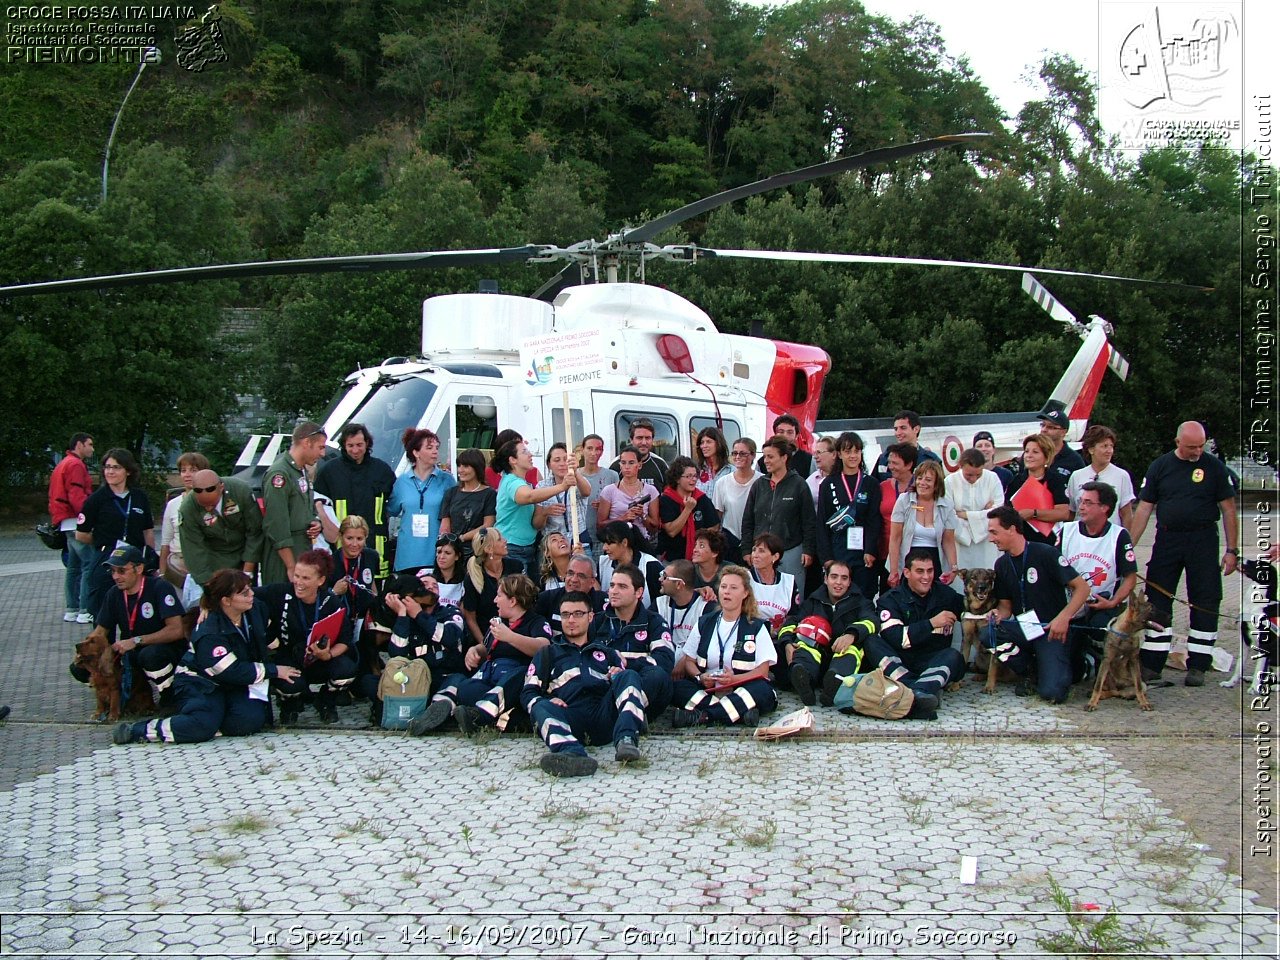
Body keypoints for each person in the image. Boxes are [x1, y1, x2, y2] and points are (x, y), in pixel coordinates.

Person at [112, 570, 301, 745]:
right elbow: (229, 670)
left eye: (250, 590)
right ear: (226, 601)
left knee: (249, 721)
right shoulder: (209, 631)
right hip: (202, 682)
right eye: (245, 593)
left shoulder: (253, 607)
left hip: (235, 683)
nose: (251, 594)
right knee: (201, 726)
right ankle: (138, 730)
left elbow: (274, 593)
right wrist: (274, 670)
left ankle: (208, 719)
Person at [1130, 420, 1239, 686]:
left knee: (1205, 598)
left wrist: (1232, 550)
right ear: (1178, 442)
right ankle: (1153, 662)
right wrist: (1128, 547)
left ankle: (1199, 664)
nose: (1197, 452)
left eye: (1201, 446)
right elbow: (1144, 509)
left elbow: (1228, 510)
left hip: (1203, 539)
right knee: (1158, 597)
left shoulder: (1214, 468)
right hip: (1168, 538)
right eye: (1192, 447)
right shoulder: (1161, 466)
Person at [521, 591, 649, 777]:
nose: (571, 619)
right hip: (569, 718)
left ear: (590, 617)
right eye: (566, 615)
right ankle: (571, 753)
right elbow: (528, 693)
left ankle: (626, 740)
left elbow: (624, 685)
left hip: (604, 716)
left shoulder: (608, 653)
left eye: (578, 614)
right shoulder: (547, 653)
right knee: (540, 706)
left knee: (629, 675)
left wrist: (616, 675)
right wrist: (549, 699)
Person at [410, 573, 552, 735]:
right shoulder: (498, 621)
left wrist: (511, 637)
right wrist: (476, 650)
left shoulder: (536, 621)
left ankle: (481, 716)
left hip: (514, 682)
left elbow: (543, 646)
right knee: (461, 684)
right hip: (488, 677)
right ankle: (440, 714)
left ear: (512, 601)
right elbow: (488, 648)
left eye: (499, 596)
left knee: (520, 675)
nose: (495, 601)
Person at [986, 505, 1091, 703]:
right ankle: (1030, 670)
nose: (991, 538)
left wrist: (1064, 617)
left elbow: (1083, 589)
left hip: (1052, 629)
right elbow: (1006, 607)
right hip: (1026, 627)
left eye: (994, 532)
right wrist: (998, 615)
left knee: (1053, 693)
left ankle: (1076, 664)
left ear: (1012, 529)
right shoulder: (1002, 564)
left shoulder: (1045, 553)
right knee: (989, 634)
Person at [862, 549, 967, 719]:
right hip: (902, 663)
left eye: (930, 571)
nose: (926, 577)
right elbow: (897, 638)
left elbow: (972, 611)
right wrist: (932, 623)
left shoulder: (946, 595)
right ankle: (920, 692)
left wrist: (993, 612)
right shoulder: (890, 599)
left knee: (954, 656)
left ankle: (913, 694)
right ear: (907, 573)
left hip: (932, 660)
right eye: (920, 571)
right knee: (871, 642)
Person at [670, 566, 778, 727]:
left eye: (733, 588)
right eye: (723, 587)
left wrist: (734, 680)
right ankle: (740, 713)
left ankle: (703, 717)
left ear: (745, 593)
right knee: (677, 688)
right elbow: (689, 661)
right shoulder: (705, 622)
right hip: (709, 689)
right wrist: (700, 677)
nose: (726, 592)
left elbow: (763, 671)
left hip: (742, 687)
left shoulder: (756, 626)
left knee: (763, 690)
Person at [259, 549, 356, 723]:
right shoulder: (280, 593)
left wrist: (328, 655)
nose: (299, 583)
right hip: (290, 657)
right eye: (297, 576)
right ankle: (290, 704)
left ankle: (326, 701)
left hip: (321, 658)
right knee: (291, 685)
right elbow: (245, 593)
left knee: (346, 670)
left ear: (321, 580)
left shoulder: (331, 601)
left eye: (305, 578)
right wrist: (207, 604)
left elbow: (345, 640)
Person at [1058, 481, 1138, 681]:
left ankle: (1104, 660)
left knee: (1104, 629)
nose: (1081, 507)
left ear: (1105, 508)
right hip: (1068, 608)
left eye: (1088, 502)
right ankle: (1082, 660)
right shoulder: (1066, 531)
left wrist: (1113, 602)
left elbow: (1130, 577)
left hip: (1101, 606)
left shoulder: (1119, 536)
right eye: (1080, 502)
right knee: (1071, 673)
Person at [90, 545, 188, 704]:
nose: (115, 576)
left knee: (151, 656)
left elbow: (177, 630)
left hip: (163, 649)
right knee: (81, 665)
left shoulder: (159, 587)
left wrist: (136, 641)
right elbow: (100, 631)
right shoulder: (114, 593)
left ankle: (170, 695)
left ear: (139, 568)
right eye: (112, 571)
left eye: (121, 571)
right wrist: (86, 650)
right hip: (130, 651)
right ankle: (117, 696)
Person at [777, 559, 877, 705]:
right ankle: (803, 679)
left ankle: (834, 686)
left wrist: (852, 634)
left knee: (851, 650)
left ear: (850, 582)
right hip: (818, 658)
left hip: (842, 658)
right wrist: (786, 643)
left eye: (844, 578)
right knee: (803, 644)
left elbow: (872, 621)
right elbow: (792, 622)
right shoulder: (813, 601)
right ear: (826, 579)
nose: (839, 582)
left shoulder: (861, 601)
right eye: (834, 577)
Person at [75, 447, 155, 622]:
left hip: (133, 560)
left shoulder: (139, 497)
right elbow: (81, 535)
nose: (110, 471)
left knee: (138, 615)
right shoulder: (96, 499)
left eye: (116, 467)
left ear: (128, 471)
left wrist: (149, 556)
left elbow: (147, 530)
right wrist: (103, 542)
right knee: (103, 615)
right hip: (106, 559)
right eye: (107, 467)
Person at [588, 564, 675, 716]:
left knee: (658, 675)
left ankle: (627, 714)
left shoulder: (654, 621)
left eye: (622, 586)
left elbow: (665, 660)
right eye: (612, 585)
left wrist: (627, 664)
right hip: (606, 686)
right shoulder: (597, 621)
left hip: (641, 687)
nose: (614, 591)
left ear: (638, 592)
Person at [313, 422, 397, 575]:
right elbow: (317, 505)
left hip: (374, 543)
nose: (355, 450)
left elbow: (395, 502)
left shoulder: (382, 470)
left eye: (359, 444)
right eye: (350, 445)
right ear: (343, 445)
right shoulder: (329, 471)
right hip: (340, 545)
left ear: (367, 443)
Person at [492, 438, 578, 575]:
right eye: (524, 452)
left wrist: (544, 511)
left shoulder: (522, 482)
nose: (530, 455)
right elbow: (528, 497)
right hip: (512, 547)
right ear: (513, 460)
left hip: (526, 547)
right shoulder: (511, 482)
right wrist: (562, 486)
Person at [740, 436, 818, 584]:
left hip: (790, 551)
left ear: (784, 458)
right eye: (764, 456)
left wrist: (808, 550)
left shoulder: (799, 484)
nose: (766, 461)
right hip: (761, 551)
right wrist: (746, 549)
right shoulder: (759, 485)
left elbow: (809, 521)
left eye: (770, 456)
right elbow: (748, 520)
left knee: (791, 597)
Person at [816, 430, 882, 599]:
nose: (853, 456)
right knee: (839, 597)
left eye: (857, 451)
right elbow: (822, 522)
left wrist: (870, 549)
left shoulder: (871, 484)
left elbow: (874, 520)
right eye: (848, 451)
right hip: (839, 548)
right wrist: (827, 558)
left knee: (863, 595)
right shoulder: (828, 484)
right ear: (839, 454)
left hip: (863, 552)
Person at [260, 421, 326, 585]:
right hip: (284, 555)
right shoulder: (280, 474)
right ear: (306, 443)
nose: (323, 453)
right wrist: (291, 566)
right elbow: (276, 524)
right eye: (320, 447)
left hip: (301, 547)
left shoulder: (300, 470)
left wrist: (315, 522)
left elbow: (304, 508)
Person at [388, 427, 457, 573]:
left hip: (437, 554)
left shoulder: (447, 480)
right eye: (429, 447)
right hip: (408, 556)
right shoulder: (401, 482)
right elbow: (391, 511)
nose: (435, 451)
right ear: (416, 452)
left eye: (437, 448)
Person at [887, 460, 959, 589]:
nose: (922, 483)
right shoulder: (904, 500)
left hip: (934, 559)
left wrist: (953, 567)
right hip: (909, 557)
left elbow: (948, 541)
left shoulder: (946, 504)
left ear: (937, 484)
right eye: (919, 478)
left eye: (928, 480)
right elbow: (895, 538)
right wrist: (894, 570)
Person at [49, 433, 95, 623]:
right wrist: (88, 518)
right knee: (89, 565)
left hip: (65, 520)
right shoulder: (76, 465)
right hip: (76, 520)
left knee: (74, 567)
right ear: (79, 445)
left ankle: (72, 608)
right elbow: (76, 495)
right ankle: (85, 609)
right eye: (90, 445)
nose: (92, 449)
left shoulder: (63, 464)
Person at [461, 527, 524, 646]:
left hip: (518, 633)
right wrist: (485, 645)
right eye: (500, 539)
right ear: (489, 549)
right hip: (488, 636)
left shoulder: (516, 566)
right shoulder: (472, 578)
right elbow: (470, 618)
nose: (505, 541)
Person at [157, 451, 209, 594]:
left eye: (193, 470)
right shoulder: (173, 504)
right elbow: (165, 542)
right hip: (178, 565)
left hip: (204, 565)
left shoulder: (210, 502)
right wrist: (162, 574)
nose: (187, 474)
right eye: (183, 470)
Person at [1006, 434, 1071, 546]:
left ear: (1046, 457)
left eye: (1035, 452)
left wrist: (1033, 513)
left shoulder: (1055, 480)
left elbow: (1063, 513)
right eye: (1026, 451)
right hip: (1021, 542)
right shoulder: (1017, 481)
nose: (1029, 456)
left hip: (1048, 542)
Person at [1067, 425, 1137, 529]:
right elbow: (1072, 511)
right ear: (1091, 449)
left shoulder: (1121, 475)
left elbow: (1126, 514)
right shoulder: (1076, 476)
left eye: (1111, 446)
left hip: (1110, 537)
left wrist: (1127, 541)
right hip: (1081, 537)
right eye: (1104, 446)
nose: (1109, 451)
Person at [946, 448, 1003, 572]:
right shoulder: (950, 481)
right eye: (969, 475)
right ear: (960, 467)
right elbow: (948, 513)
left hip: (987, 540)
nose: (974, 479)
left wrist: (965, 514)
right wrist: (982, 513)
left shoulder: (992, 478)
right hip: (959, 538)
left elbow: (998, 511)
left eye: (978, 474)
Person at [656, 456, 720, 562]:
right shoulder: (666, 499)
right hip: (673, 558)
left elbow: (714, 526)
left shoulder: (701, 498)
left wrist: (698, 540)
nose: (693, 479)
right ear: (677, 479)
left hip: (699, 557)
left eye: (695, 476)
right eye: (689, 476)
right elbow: (671, 531)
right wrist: (687, 509)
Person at [438, 448, 497, 560]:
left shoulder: (489, 494)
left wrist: (462, 538)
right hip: (453, 551)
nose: (461, 470)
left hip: (478, 549)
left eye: (465, 466)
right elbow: (445, 525)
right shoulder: (451, 493)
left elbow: (488, 524)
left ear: (477, 468)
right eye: (459, 466)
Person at [596, 445, 660, 539]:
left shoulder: (651, 491)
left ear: (639, 465)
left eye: (631, 463)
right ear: (620, 465)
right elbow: (600, 525)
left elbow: (654, 528)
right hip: (616, 542)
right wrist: (622, 519)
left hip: (642, 541)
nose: (627, 467)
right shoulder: (609, 491)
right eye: (623, 463)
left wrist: (642, 515)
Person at [876, 442, 917, 590]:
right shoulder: (883, 487)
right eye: (889, 463)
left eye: (895, 463)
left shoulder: (920, 488)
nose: (890, 467)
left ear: (908, 464)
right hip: (885, 554)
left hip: (913, 554)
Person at [535, 442, 592, 546]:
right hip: (553, 543)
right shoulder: (542, 486)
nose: (562, 464)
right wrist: (545, 512)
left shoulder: (578, 480)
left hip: (579, 539)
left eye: (566, 460)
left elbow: (587, 492)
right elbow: (537, 524)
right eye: (557, 460)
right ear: (549, 464)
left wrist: (575, 471)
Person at [597, 521, 664, 608]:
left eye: (610, 543)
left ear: (624, 542)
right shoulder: (603, 563)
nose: (604, 548)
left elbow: (662, 601)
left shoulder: (651, 565)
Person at [535, 553, 606, 633]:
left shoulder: (603, 603)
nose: (574, 579)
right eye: (570, 573)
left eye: (581, 576)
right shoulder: (547, 599)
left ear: (592, 582)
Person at [656, 559, 717, 654]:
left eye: (665, 577)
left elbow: (705, 648)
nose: (660, 579)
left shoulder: (705, 607)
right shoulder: (659, 603)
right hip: (665, 662)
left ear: (679, 584)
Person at [713, 437, 758, 563]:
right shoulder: (722, 483)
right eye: (735, 453)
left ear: (753, 455)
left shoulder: (762, 481)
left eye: (743, 453)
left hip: (755, 542)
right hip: (730, 541)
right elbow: (717, 517)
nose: (738, 457)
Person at [746, 533, 799, 634]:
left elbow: (793, 616)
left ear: (775, 556)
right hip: (750, 637)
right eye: (754, 550)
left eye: (761, 551)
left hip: (780, 639)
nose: (755, 555)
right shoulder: (744, 579)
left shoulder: (789, 581)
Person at [577, 434, 617, 559]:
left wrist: (605, 506)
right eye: (589, 448)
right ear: (582, 450)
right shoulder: (573, 475)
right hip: (580, 538)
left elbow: (619, 504)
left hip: (604, 538)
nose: (593, 453)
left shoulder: (612, 475)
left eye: (598, 449)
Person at [871, 411, 942, 481]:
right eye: (896, 429)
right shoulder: (884, 458)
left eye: (903, 428)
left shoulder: (930, 460)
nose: (898, 433)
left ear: (916, 429)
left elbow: (939, 489)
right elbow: (872, 487)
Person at [608, 417, 668, 487]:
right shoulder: (616, 465)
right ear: (631, 439)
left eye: (648, 438)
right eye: (639, 438)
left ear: (652, 439)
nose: (644, 442)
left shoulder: (660, 465)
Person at [1034, 406, 1087, 485]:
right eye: (1043, 425)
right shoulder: (1031, 455)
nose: (1044, 429)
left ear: (1063, 432)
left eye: (1050, 427)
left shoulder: (1074, 460)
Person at [694, 426, 732, 500]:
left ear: (718, 444)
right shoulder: (697, 471)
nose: (704, 446)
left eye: (708, 442)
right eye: (702, 443)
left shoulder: (731, 471)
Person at [430, 534, 466, 610]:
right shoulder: (425, 575)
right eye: (439, 552)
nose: (441, 557)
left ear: (457, 556)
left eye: (447, 553)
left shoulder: (465, 582)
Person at [690, 528, 728, 593]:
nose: (695, 550)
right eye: (695, 545)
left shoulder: (729, 571)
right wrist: (697, 591)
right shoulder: (688, 571)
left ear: (715, 553)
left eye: (701, 546)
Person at [806, 435, 838, 505]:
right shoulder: (811, 479)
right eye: (815, 453)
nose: (815, 457)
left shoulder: (843, 478)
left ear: (834, 454)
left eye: (819, 452)